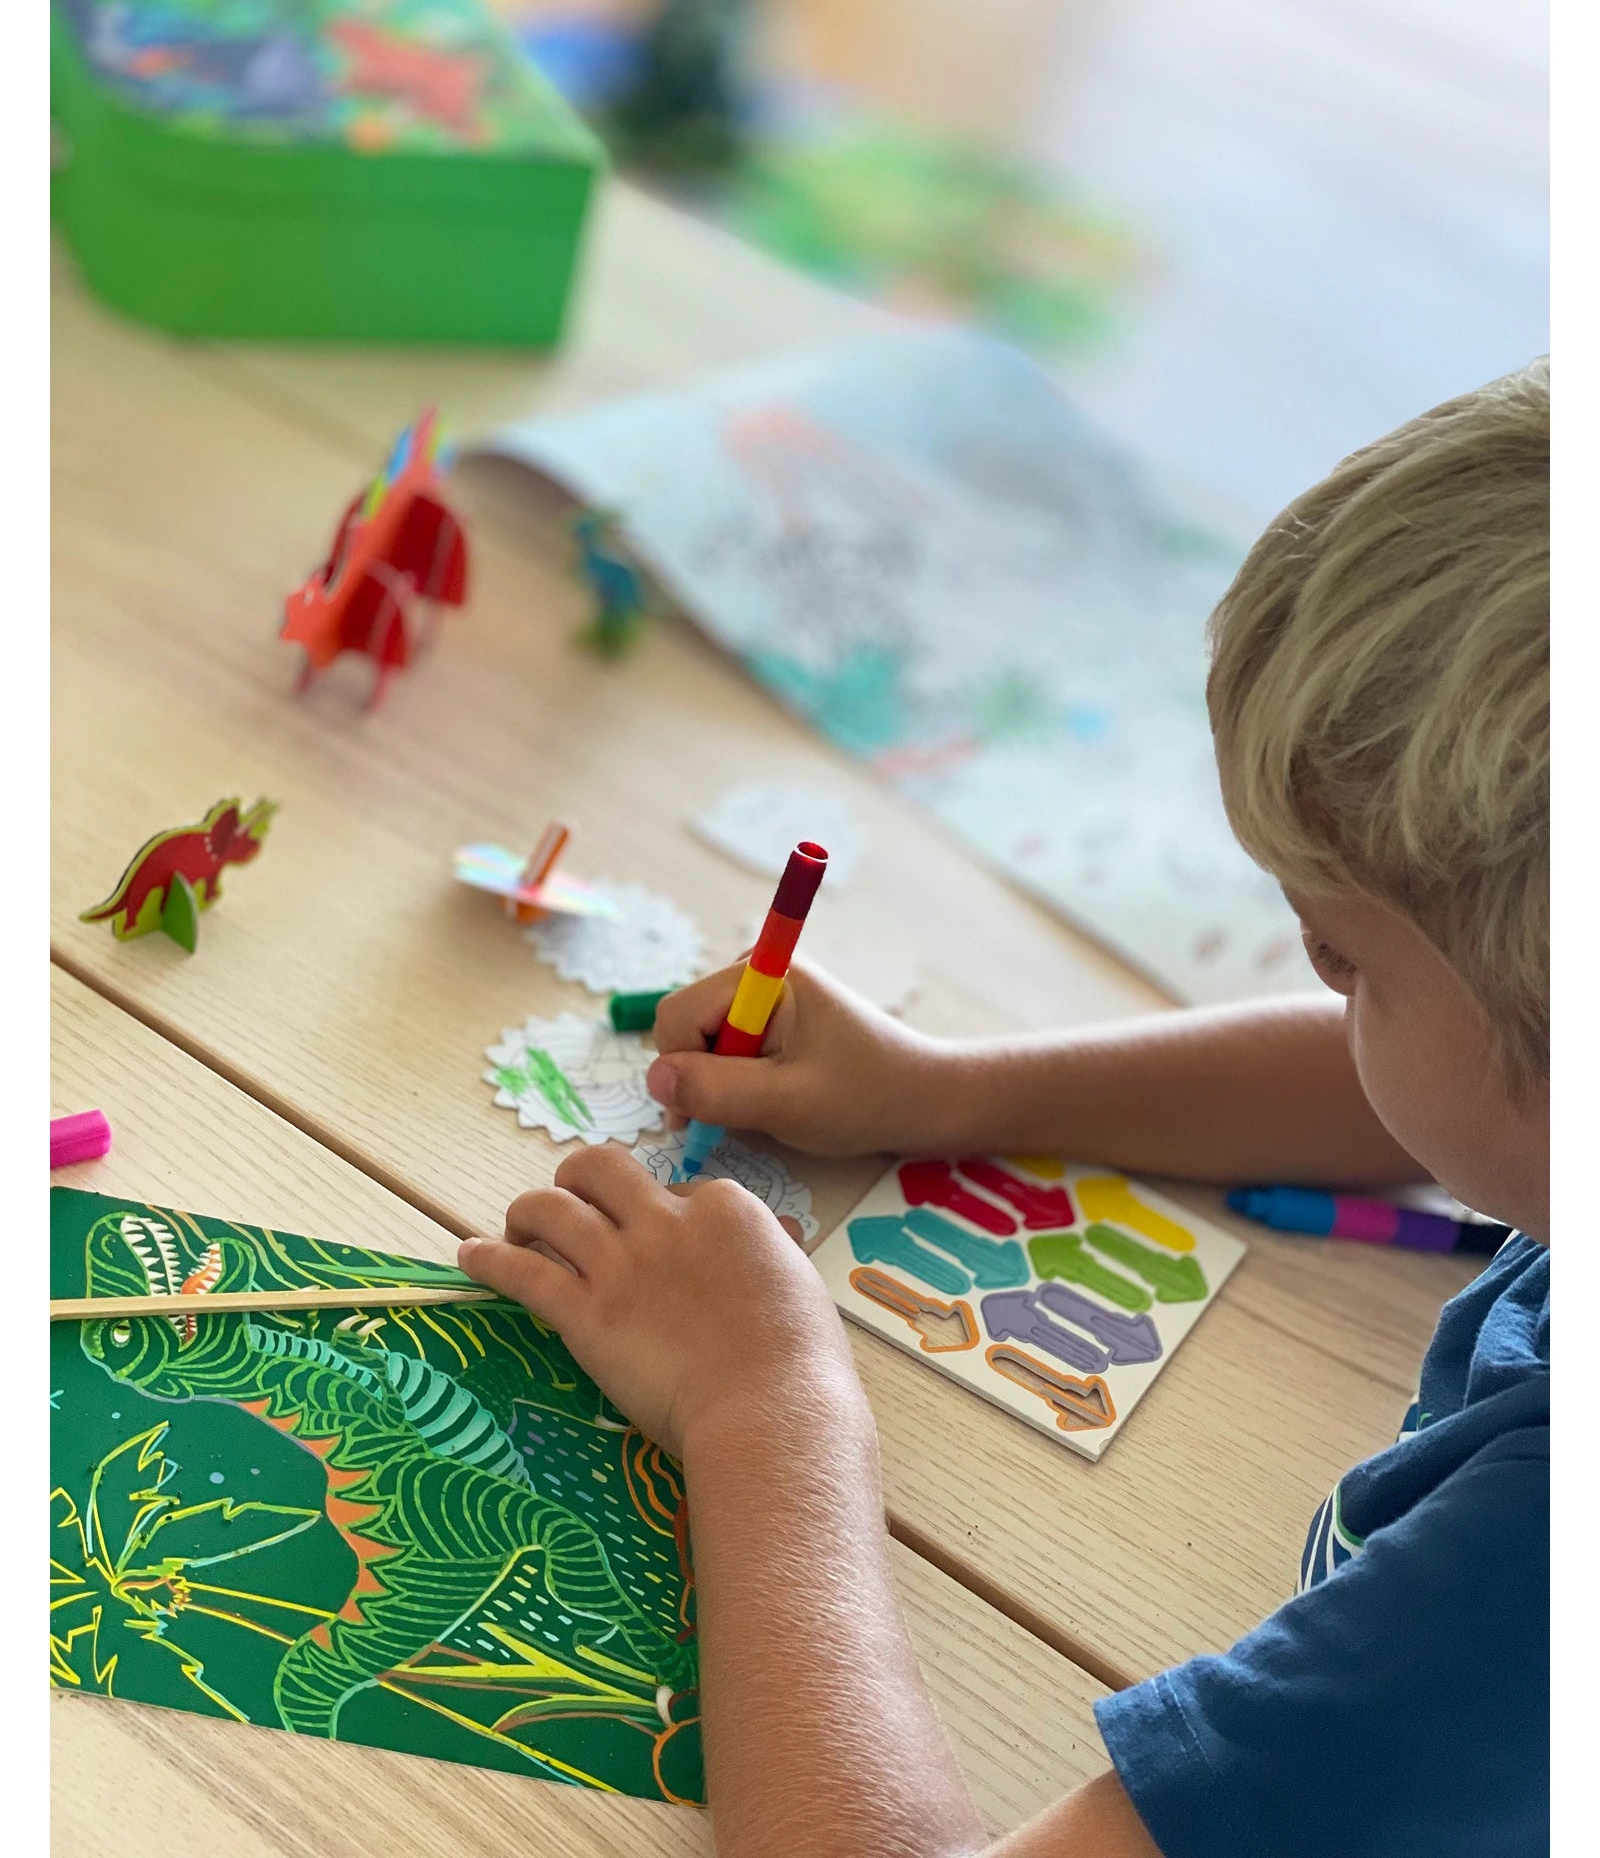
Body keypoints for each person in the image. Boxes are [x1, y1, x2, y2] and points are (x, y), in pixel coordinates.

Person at [460, 360, 1550, 1857]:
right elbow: (1419, 1080)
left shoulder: (1524, 1594)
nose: (1320, 979)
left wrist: (765, 1410)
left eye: (1348, 959)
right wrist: (953, 1086)